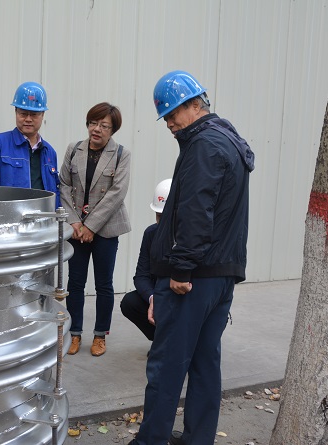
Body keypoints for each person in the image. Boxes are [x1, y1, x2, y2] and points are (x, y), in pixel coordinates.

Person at [128, 71, 255, 445]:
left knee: (167, 366)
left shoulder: (203, 145)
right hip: (221, 274)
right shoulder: (227, 140)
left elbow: (197, 211)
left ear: (196, 104)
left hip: (194, 277)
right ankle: (198, 439)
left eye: (172, 114)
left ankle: (151, 440)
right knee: (204, 364)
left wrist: (181, 268)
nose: (169, 124)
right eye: (165, 117)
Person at [59, 102, 131, 357]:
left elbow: (117, 193)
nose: (97, 129)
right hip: (77, 228)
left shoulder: (121, 154)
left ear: (113, 130)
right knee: (75, 282)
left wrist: (91, 225)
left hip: (106, 228)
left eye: (104, 125)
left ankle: (100, 335)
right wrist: (75, 222)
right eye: (93, 123)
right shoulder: (74, 149)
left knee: (104, 284)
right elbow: (64, 185)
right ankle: (75, 333)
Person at [0, 81, 60, 207]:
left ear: (42, 115)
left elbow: (55, 192)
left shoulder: (49, 152)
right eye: (23, 114)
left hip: (42, 217)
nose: (28, 119)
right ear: (16, 112)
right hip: (8, 216)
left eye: (34, 114)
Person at [120, 178, 171, 342]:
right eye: (159, 216)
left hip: (185, 298)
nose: (162, 222)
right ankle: (161, 342)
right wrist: (153, 298)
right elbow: (141, 276)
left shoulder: (193, 238)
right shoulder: (151, 234)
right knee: (130, 302)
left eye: (167, 217)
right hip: (160, 294)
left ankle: (184, 344)